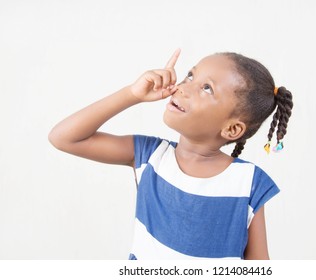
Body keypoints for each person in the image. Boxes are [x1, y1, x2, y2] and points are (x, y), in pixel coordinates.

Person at [48, 49, 293, 260]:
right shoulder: (149, 155)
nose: (183, 87)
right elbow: (63, 138)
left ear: (232, 129)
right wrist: (132, 94)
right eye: (190, 75)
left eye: (206, 88)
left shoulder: (249, 183)